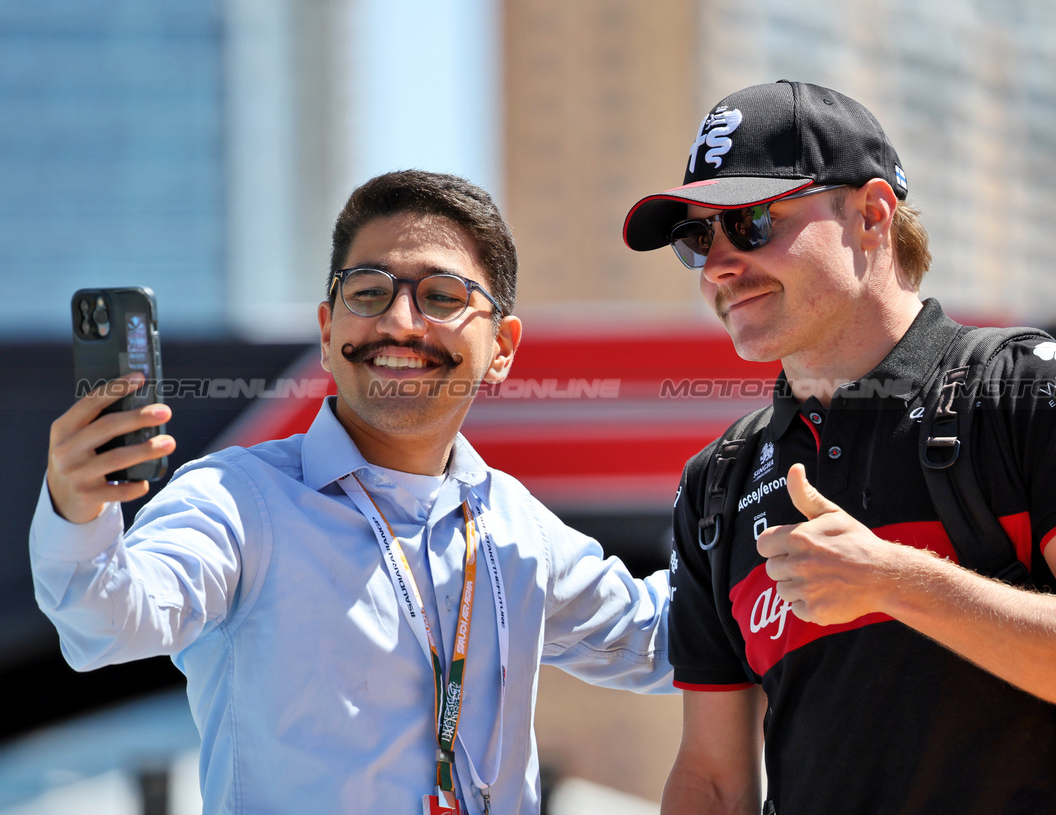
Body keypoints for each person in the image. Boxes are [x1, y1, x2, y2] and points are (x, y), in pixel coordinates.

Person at [621, 80, 1056, 814]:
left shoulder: (1034, 391)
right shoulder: (718, 483)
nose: (722, 263)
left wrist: (894, 580)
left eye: (753, 221)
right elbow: (714, 780)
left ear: (872, 213)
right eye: (699, 239)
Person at [33, 170, 672, 815]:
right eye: (367, 293)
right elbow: (104, 623)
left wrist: (762, 522)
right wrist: (77, 509)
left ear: (502, 347)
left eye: (442, 297)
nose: (398, 322)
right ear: (328, 330)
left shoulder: (517, 528)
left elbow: (671, 644)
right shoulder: (237, 501)